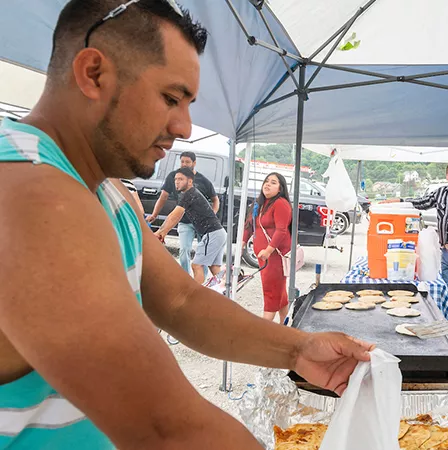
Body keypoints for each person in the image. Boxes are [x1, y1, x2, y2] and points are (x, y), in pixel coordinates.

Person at [0, 2, 373, 448]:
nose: (184, 126)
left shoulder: (109, 194)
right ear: (93, 73)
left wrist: (298, 349)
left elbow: (181, 301)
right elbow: (164, 427)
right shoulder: (28, 191)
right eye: (171, 98)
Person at [385, 160, 448, 344]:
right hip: (446, 252)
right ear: (447, 175)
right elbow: (422, 202)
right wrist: (400, 201)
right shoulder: (440, 193)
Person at [146, 150, 218, 273]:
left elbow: (215, 200)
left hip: (202, 223)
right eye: (182, 161)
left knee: (203, 254)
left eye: (187, 162)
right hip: (184, 222)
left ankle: (202, 281)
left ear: (194, 163)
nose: (184, 164)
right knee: (184, 250)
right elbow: (163, 197)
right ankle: (186, 277)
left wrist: (212, 215)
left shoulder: (203, 180)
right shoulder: (174, 177)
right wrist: (154, 214)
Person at [154, 168, 226, 284]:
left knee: (196, 265)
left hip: (212, 233)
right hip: (218, 233)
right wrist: (163, 232)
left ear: (190, 182)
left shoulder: (189, 193)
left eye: (181, 179)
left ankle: (195, 296)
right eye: (176, 179)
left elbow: (174, 215)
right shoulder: (188, 194)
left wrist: (159, 232)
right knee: (214, 267)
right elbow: (177, 216)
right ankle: (227, 291)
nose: (177, 182)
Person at [242, 173, 293, 323]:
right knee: (279, 290)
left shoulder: (281, 203)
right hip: (262, 255)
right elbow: (249, 225)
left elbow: (281, 230)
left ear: (280, 188)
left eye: (273, 182)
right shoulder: (259, 203)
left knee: (271, 289)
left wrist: (269, 250)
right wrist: (243, 242)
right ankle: (286, 325)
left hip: (275, 255)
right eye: (266, 181)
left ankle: (265, 327)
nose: (267, 184)